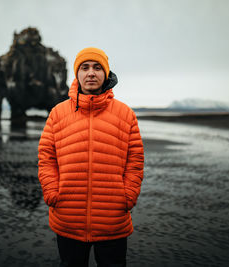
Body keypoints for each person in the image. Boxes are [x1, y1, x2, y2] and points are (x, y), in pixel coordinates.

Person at [38, 47, 144, 267]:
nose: (91, 73)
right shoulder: (58, 113)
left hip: (112, 220)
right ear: (77, 74)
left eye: (97, 68)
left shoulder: (126, 114)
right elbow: (47, 157)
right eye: (84, 68)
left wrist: (128, 196)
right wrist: (52, 192)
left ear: (106, 74)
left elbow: (135, 160)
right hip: (68, 218)